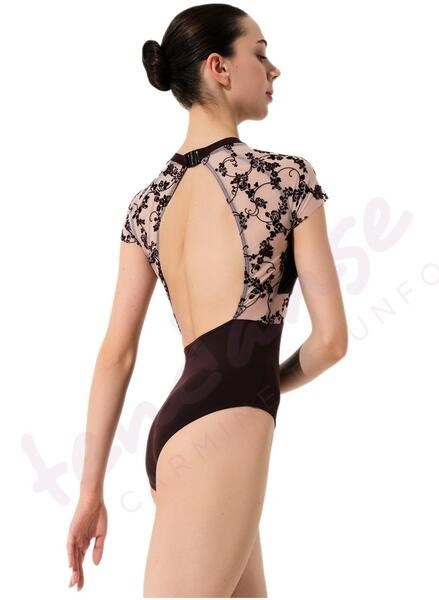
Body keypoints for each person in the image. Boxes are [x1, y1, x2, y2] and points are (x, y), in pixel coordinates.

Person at [66, 3, 348, 596]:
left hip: (176, 434)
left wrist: (90, 492)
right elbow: (330, 342)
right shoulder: (287, 179)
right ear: (219, 67)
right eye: (261, 54)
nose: (273, 70)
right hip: (227, 429)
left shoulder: (147, 204)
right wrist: (261, 382)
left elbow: (116, 355)